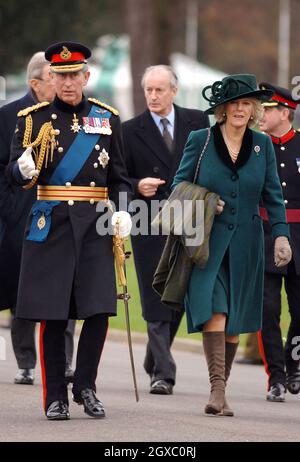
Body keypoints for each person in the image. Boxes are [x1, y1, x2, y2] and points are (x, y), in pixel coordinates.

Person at [6, 41, 132, 420]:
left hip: (95, 225)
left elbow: (120, 178)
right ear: (50, 78)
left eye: (74, 75)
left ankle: (86, 387)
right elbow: (13, 172)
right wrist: (21, 171)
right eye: (60, 76)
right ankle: (55, 396)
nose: (67, 82)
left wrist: (124, 212)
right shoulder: (32, 120)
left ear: (86, 77)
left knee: (97, 311)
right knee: (54, 315)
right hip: (52, 226)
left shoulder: (107, 119)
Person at [172, 74, 292, 416]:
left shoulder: (262, 144)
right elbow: (178, 184)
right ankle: (217, 390)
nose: (240, 110)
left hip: (248, 245)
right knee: (215, 308)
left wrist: (281, 234)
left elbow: (273, 194)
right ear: (222, 109)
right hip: (206, 242)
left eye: (246, 104)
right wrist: (206, 199)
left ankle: (219, 390)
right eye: (233, 104)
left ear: (253, 109)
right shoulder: (201, 140)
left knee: (235, 319)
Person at [122, 65, 209, 395]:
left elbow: (207, 164)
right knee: (156, 292)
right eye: (148, 90)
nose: (153, 96)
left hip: (188, 216)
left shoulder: (197, 121)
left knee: (179, 293)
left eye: (160, 90)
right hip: (149, 219)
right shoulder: (130, 130)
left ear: (174, 90)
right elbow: (118, 176)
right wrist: (136, 185)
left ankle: (153, 358)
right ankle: (163, 373)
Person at [0, 52, 76, 386]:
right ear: (35, 83)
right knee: (23, 288)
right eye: (53, 77)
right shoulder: (7, 116)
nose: (60, 83)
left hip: (63, 212)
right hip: (23, 213)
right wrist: (11, 207)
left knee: (66, 287)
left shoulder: (72, 114)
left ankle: (66, 360)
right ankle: (26, 361)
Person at [257, 82, 300, 402]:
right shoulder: (255, 147)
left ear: (285, 112)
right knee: (268, 311)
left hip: (299, 239)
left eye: (268, 109)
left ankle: (294, 361)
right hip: (266, 235)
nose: (261, 114)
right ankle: (276, 375)